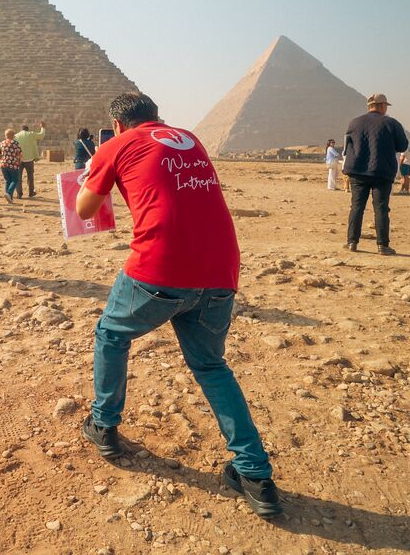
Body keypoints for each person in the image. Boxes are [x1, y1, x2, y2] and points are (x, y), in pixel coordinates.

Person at [75, 92, 281, 519]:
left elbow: (84, 208)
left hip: (160, 268)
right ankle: (255, 476)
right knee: (210, 366)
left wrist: (97, 168)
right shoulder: (188, 137)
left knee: (111, 335)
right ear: (157, 116)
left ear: (116, 125)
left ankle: (104, 425)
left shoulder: (116, 144)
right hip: (221, 271)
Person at [342, 94, 409, 254]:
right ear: (381, 105)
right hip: (382, 171)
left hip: (357, 171)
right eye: (385, 106)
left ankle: (352, 243)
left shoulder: (354, 122)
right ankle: (382, 245)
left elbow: (347, 146)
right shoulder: (391, 123)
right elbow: (402, 146)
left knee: (356, 207)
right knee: (381, 208)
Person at [14, 122, 46, 198]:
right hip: (29, 159)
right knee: (30, 177)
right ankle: (31, 193)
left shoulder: (16, 136)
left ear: (21, 130)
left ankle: (19, 194)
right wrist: (43, 127)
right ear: (27, 130)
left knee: (18, 178)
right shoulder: (31, 134)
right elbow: (41, 135)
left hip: (19, 160)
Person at [0, 128, 23, 204]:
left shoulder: (2, 143)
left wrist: (2, 160)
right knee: (15, 180)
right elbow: (20, 155)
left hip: (3, 165)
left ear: (6, 135)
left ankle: (9, 199)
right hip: (13, 165)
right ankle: (8, 193)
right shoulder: (16, 143)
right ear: (13, 136)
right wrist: (18, 162)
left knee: (7, 181)